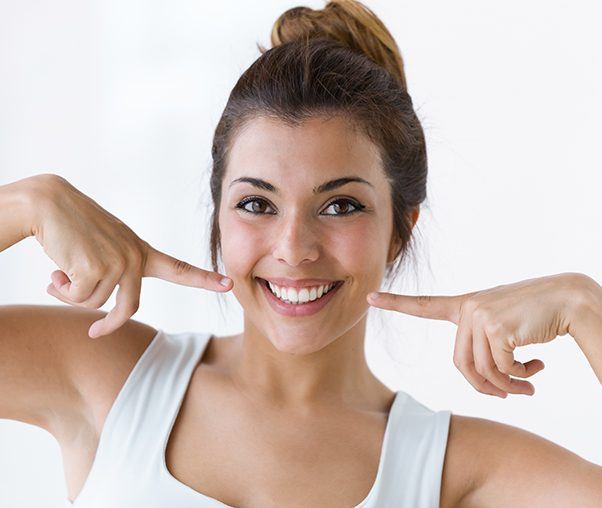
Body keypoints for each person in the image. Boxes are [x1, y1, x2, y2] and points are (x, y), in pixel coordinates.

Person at [1, 1, 600, 506]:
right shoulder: (107, 376)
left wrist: (583, 305)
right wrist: (27, 203)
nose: (294, 249)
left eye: (340, 206)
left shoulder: (456, 470)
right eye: (257, 205)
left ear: (401, 229)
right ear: (218, 215)